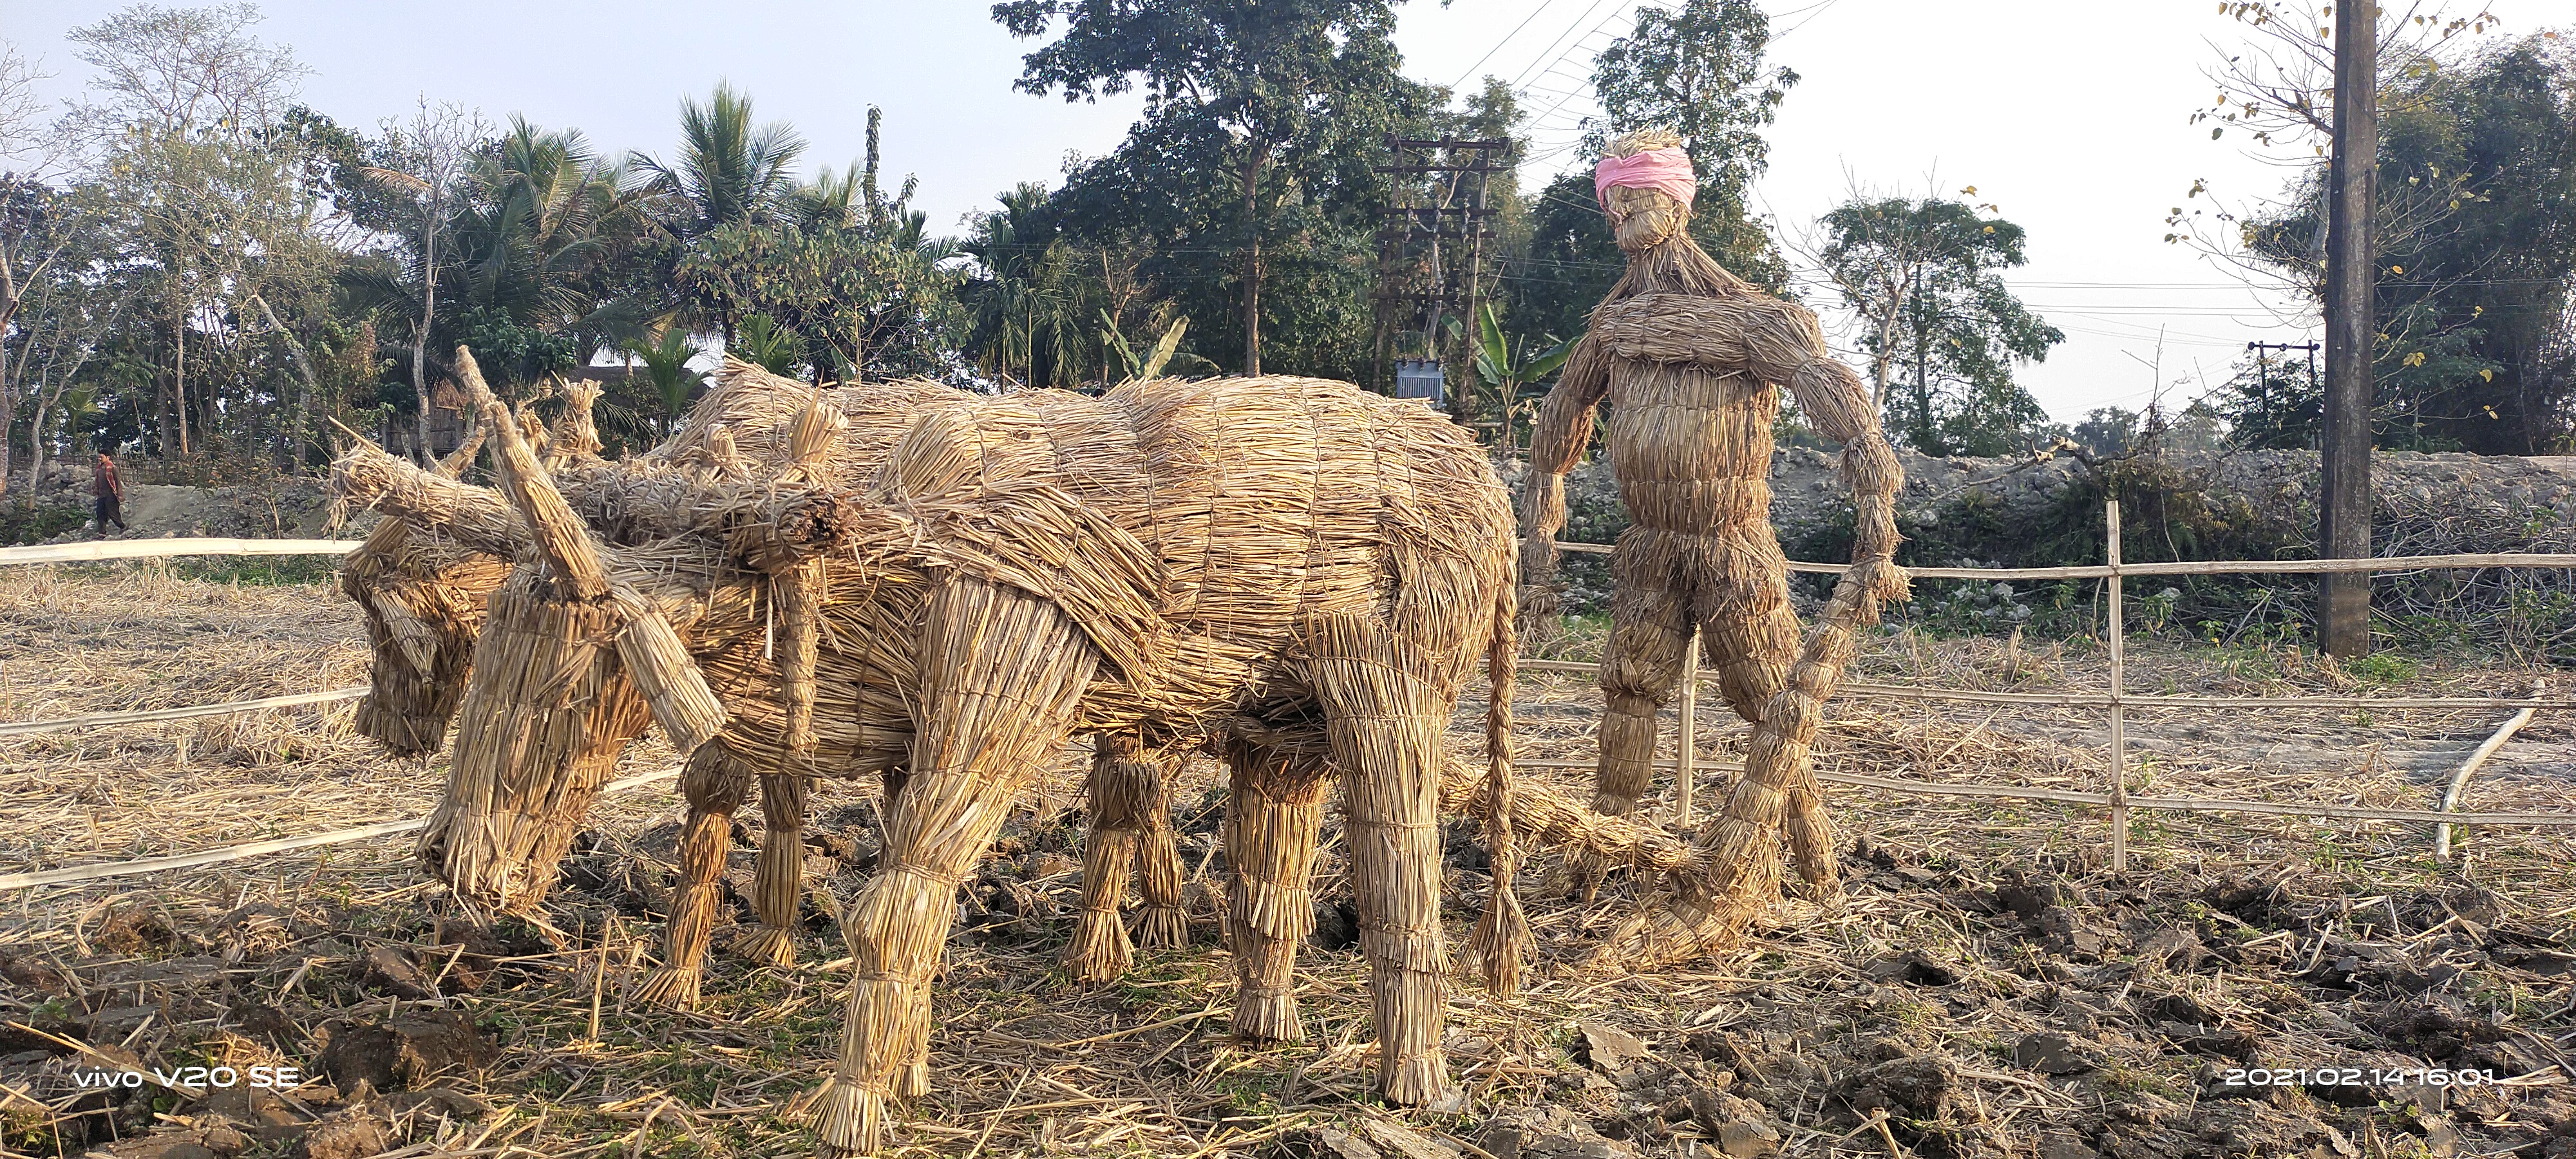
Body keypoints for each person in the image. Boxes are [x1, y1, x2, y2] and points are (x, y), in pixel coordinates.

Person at [91, 449, 128, 536]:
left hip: (111, 495)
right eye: (99, 457)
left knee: (113, 513)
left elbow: (118, 482)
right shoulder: (99, 469)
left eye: (101, 457)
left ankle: (122, 526)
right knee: (100, 514)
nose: (99, 459)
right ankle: (102, 533)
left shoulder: (113, 468)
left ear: (108, 457)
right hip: (101, 496)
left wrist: (120, 495)